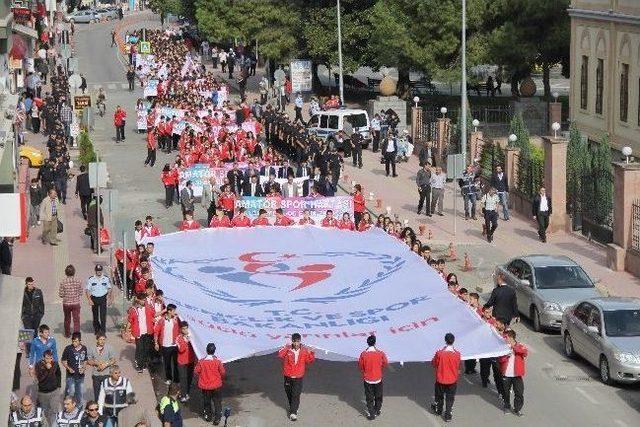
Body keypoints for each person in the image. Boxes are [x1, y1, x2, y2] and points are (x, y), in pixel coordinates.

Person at [278, 333, 315, 421]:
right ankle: (293, 407)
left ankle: (293, 413)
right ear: (292, 341)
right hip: (288, 376)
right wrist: (286, 347)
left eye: (298, 341)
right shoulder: (287, 349)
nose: (296, 344)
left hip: (298, 377)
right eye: (294, 341)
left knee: (295, 394)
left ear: (300, 341)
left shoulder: (304, 350)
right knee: (289, 393)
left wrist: (311, 353)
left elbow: (309, 361)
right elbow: (280, 355)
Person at [430, 333, 460, 422]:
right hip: (452, 380)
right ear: (453, 341)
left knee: (439, 396)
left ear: (445, 341)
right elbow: (457, 366)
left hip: (441, 379)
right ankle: (448, 415)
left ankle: (438, 411)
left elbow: (434, 363)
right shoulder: (457, 354)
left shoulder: (439, 353)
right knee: (450, 398)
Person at [358, 335, 388, 420]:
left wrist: (365, 371)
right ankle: (377, 410)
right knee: (378, 396)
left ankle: (371, 414)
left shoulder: (363, 354)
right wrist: (379, 368)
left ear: (367, 343)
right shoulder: (380, 353)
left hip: (368, 379)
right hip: (378, 378)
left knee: (369, 397)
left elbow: (360, 365)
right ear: (375, 342)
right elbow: (385, 363)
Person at [195, 342, 226, 425]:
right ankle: (217, 419)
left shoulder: (201, 362)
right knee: (217, 402)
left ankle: (208, 417)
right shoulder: (218, 361)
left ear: (206, 350)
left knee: (207, 402)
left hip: (205, 387)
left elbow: (196, 371)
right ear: (214, 351)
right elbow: (223, 372)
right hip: (216, 386)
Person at [128, 293, 155, 373]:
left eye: (145, 300)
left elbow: (153, 315)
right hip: (138, 333)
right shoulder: (134, 310)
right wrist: (127, 331)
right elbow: (130, 321)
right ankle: (139, 365)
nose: (144, 301)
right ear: (139, 300)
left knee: (146, 348)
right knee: (140, 349)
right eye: (143, 300)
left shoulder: (148, 307)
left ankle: (143, 364)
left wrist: (163, 311)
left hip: (147, 332)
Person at [154, 303, 180, 385]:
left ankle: (176, 380)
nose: (175, 312)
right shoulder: (161, 321)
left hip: (174, 345)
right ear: (169, 311)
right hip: (165, 346)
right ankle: (169, 378)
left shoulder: (176, 320)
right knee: (167, 363)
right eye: (173, 310)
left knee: (176, 364)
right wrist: (156, 343)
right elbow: (156, 332)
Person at [61, 332, 88, 407]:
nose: (74, 343)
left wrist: (84, 368)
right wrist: (68, 368)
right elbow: (63, 360)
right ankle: (68, 406)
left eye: (76, 341)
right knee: (72, 392)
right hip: (70, 376)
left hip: (80, 376)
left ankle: (79, 408)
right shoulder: (68, 348)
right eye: (73, 341)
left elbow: (85, 360)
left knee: (79, 393)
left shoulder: (84, 348)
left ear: (80, 341)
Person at [87, 333, 116, 400]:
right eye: (100, 339)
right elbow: (88, 361)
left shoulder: (109, 348)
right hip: (96, 375)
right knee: (97, 394)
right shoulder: (91, 348)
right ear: (97, 340)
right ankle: (98, 408)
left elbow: (113, 360)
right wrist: (96, 363)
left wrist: (105, 364)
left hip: (107, 374)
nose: (102, 341)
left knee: (107, 394)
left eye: (104, 339)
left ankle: (108, 408)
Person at [34, 349, 61, 423]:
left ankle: (53, 424)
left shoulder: (55, 363)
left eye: (50, 358)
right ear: (43, 358)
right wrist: (47, 369)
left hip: (54, 391)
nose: (49, 360)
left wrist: (58, 385)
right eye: (47, 358)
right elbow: (40, 379)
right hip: (43, 393)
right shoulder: (38, 365)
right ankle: (46, 423)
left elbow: (58, 374)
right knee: (45, 411)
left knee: (54, 410)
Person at [85, 264, 112, 335]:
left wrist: (109, 298)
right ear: (95, 271)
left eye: (100, 270)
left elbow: (109, 288)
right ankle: (97, 330)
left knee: (103, 316)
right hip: (94, 298)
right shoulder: (91, 279)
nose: (99, 272)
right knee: (95, 316)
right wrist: (89, 300)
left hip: (103, 298)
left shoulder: (106, 278)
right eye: (97, 271)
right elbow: (87, 290)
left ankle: (103, 331)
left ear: (102, 270)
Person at [59, 264, 82, 338]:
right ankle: (76, 335)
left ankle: (67, 334)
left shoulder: (63, 282)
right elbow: (81, 292)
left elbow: (61, 294)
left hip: (66, 304)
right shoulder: (78, 281)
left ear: (66, 272)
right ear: (74, 272)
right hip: (76, 303)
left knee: (67, 319)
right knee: (76, 319)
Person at [176, 321, 196, 402]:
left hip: (190, 361)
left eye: (186, 328)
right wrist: (186, 341)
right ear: (181, 329)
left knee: (189, 378)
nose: (185, 330)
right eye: (183, 329)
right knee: (183, 378)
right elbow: (181, 349)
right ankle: (183, 395)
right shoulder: (178, 338)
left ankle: (186, 392)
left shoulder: (192, 336)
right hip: (182, 362)